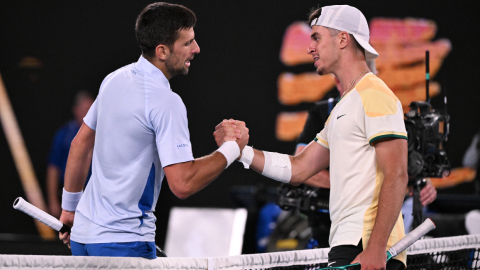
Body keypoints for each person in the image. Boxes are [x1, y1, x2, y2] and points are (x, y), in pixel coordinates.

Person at [216, 5, 407, 270]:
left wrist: (375, 248)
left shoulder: (374, 94)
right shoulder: (345, 104)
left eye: (316, 37)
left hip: (367, 247)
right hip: (348, 244)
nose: (310, 47)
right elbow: (299, 168)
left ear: (342, 39)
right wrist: (241, 152)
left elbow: (396, 174)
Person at [58, 2, 248, 259]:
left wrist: (69, 211)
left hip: (83, 238)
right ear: (162, 51)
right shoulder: (166, 102)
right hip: (124, 243)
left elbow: (79, 145)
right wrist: (231, 149)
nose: (196, 49)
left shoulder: (113, 79)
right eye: (187, 43)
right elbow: (183, 183)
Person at [46, 91, 94, 218]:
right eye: (85, 110)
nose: (89, 114)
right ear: (76, 110)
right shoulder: (64, 135)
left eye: (92, 110)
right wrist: (53, 201)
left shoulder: (102, 135)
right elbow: (53, 168)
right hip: (70, 196)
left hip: (94, 197)